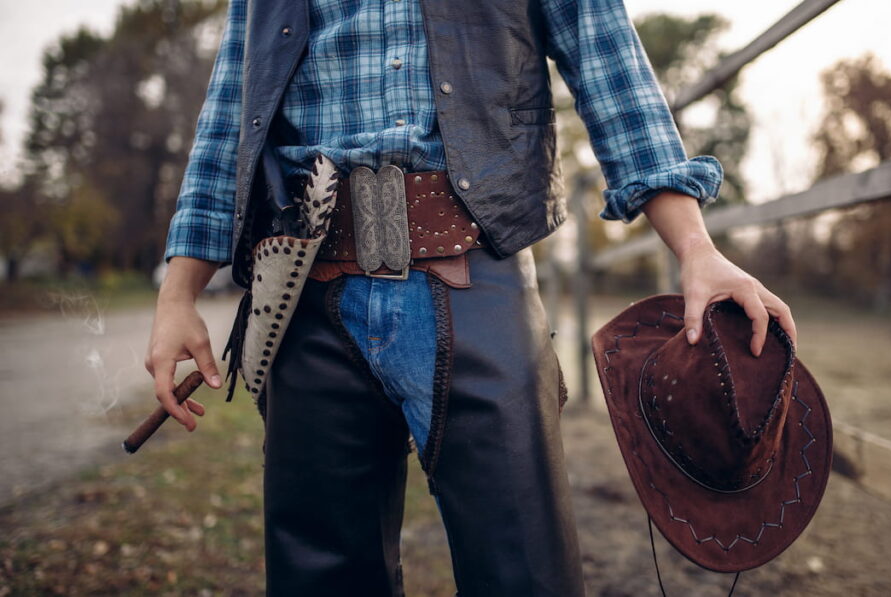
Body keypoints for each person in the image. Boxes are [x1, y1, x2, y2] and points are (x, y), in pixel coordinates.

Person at [145, 0, 798, 595]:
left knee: (524, 568)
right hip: (306, 291)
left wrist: (695, 247)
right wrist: (179, 292)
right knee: (320, 575)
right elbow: (231, 111)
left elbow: (608, 59)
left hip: (476, 281)